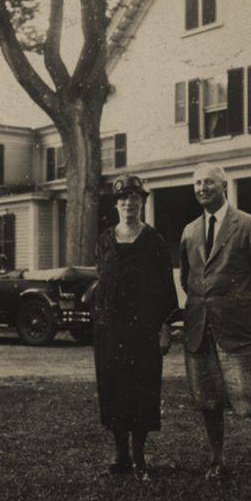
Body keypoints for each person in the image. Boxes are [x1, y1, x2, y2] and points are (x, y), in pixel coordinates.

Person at [180, 162, 251, 485]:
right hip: (200, 329)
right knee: (208, 398)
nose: (202, 188)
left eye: (209, 182)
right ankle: (217, 460)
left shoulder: (249, 225)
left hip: (239, 330)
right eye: (197, 183)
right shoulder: (189, 231)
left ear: (223, 185)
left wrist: (246, 308)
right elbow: (188, 280)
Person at [93, 173, 178, 482]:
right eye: (124, 199)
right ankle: (120, 455)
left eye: (136, 198)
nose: (129, 203)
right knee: (113, 388)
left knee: (141, 390)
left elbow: (166, 290)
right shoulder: (104, 239)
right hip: (110, 331)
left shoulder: (153, 240)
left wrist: (165, 328)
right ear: (116, 204)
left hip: (143, 331)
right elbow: (102, 282)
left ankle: (140, 456)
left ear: (142, 203)